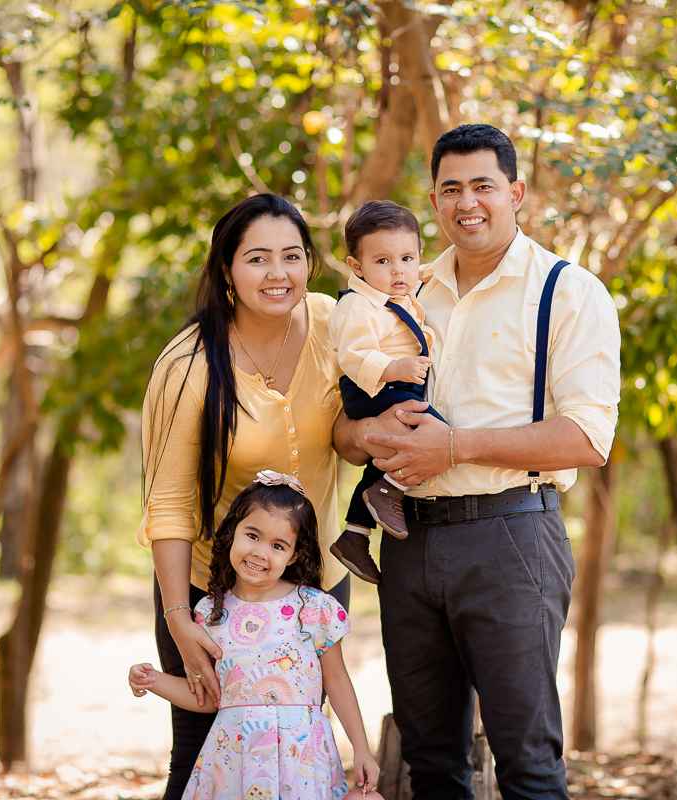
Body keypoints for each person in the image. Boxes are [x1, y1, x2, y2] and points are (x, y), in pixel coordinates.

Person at [335, 124, 622, 799]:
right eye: (451, 188)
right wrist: (370, 431)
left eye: (483, 186)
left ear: (515, 193)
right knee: (430, 764)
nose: (467, 202)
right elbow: (343, 435)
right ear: (434, 198)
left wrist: (456, 445)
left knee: (527, 762)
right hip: (408, 542)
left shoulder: (567, 291)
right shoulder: (402, 288)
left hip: (511, 539)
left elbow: (587, 438)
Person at [139, 194, 354, 799]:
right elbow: (169, 504)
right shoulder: (189, 365)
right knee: (199, 754)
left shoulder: (335, 325)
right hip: (212, 593)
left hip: (313, 581)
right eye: (257, 258)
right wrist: (179, 620)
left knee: (296, 754)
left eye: (292, 256)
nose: (277, 273)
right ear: (227, 270)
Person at [129, 472, 379, 800]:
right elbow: (210, 697)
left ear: (293, 555)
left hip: (300, 764)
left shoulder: (314, 608)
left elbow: (337, 681)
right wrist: (154, 680)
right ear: (233, 532)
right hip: (235, 764)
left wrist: (361, 748)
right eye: (252, 535)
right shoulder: (210, 613)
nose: (261, 552)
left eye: (278, 545)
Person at [327, 200, 446, 585]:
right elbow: (354, 355)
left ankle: (354, 535)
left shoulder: (400, 288)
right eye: (382, 261)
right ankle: (388, 490)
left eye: (407, 258)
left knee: (385, 457)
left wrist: (427, 269)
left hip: (395, 383)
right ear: (356, 266)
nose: (398, 270)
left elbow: (419, 271)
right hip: (373, 386)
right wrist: (395, 369)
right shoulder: (358, 306)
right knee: (437, 434)